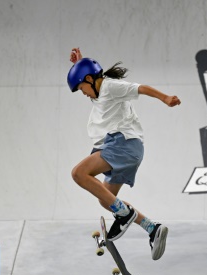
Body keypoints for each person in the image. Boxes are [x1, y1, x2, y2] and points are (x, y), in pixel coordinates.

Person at [67, 47, 181, 260]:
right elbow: (88, 77)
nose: (83, 94)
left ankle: (124, 214)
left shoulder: (111, 86)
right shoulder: (98, 90)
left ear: (91, 80)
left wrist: (165, 98)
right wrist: (79, 64)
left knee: (78, 174)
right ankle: (152, 228)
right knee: (106, 198)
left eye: (82, 88)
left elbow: (141, 88)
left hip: (122, 144)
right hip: (125, 150)